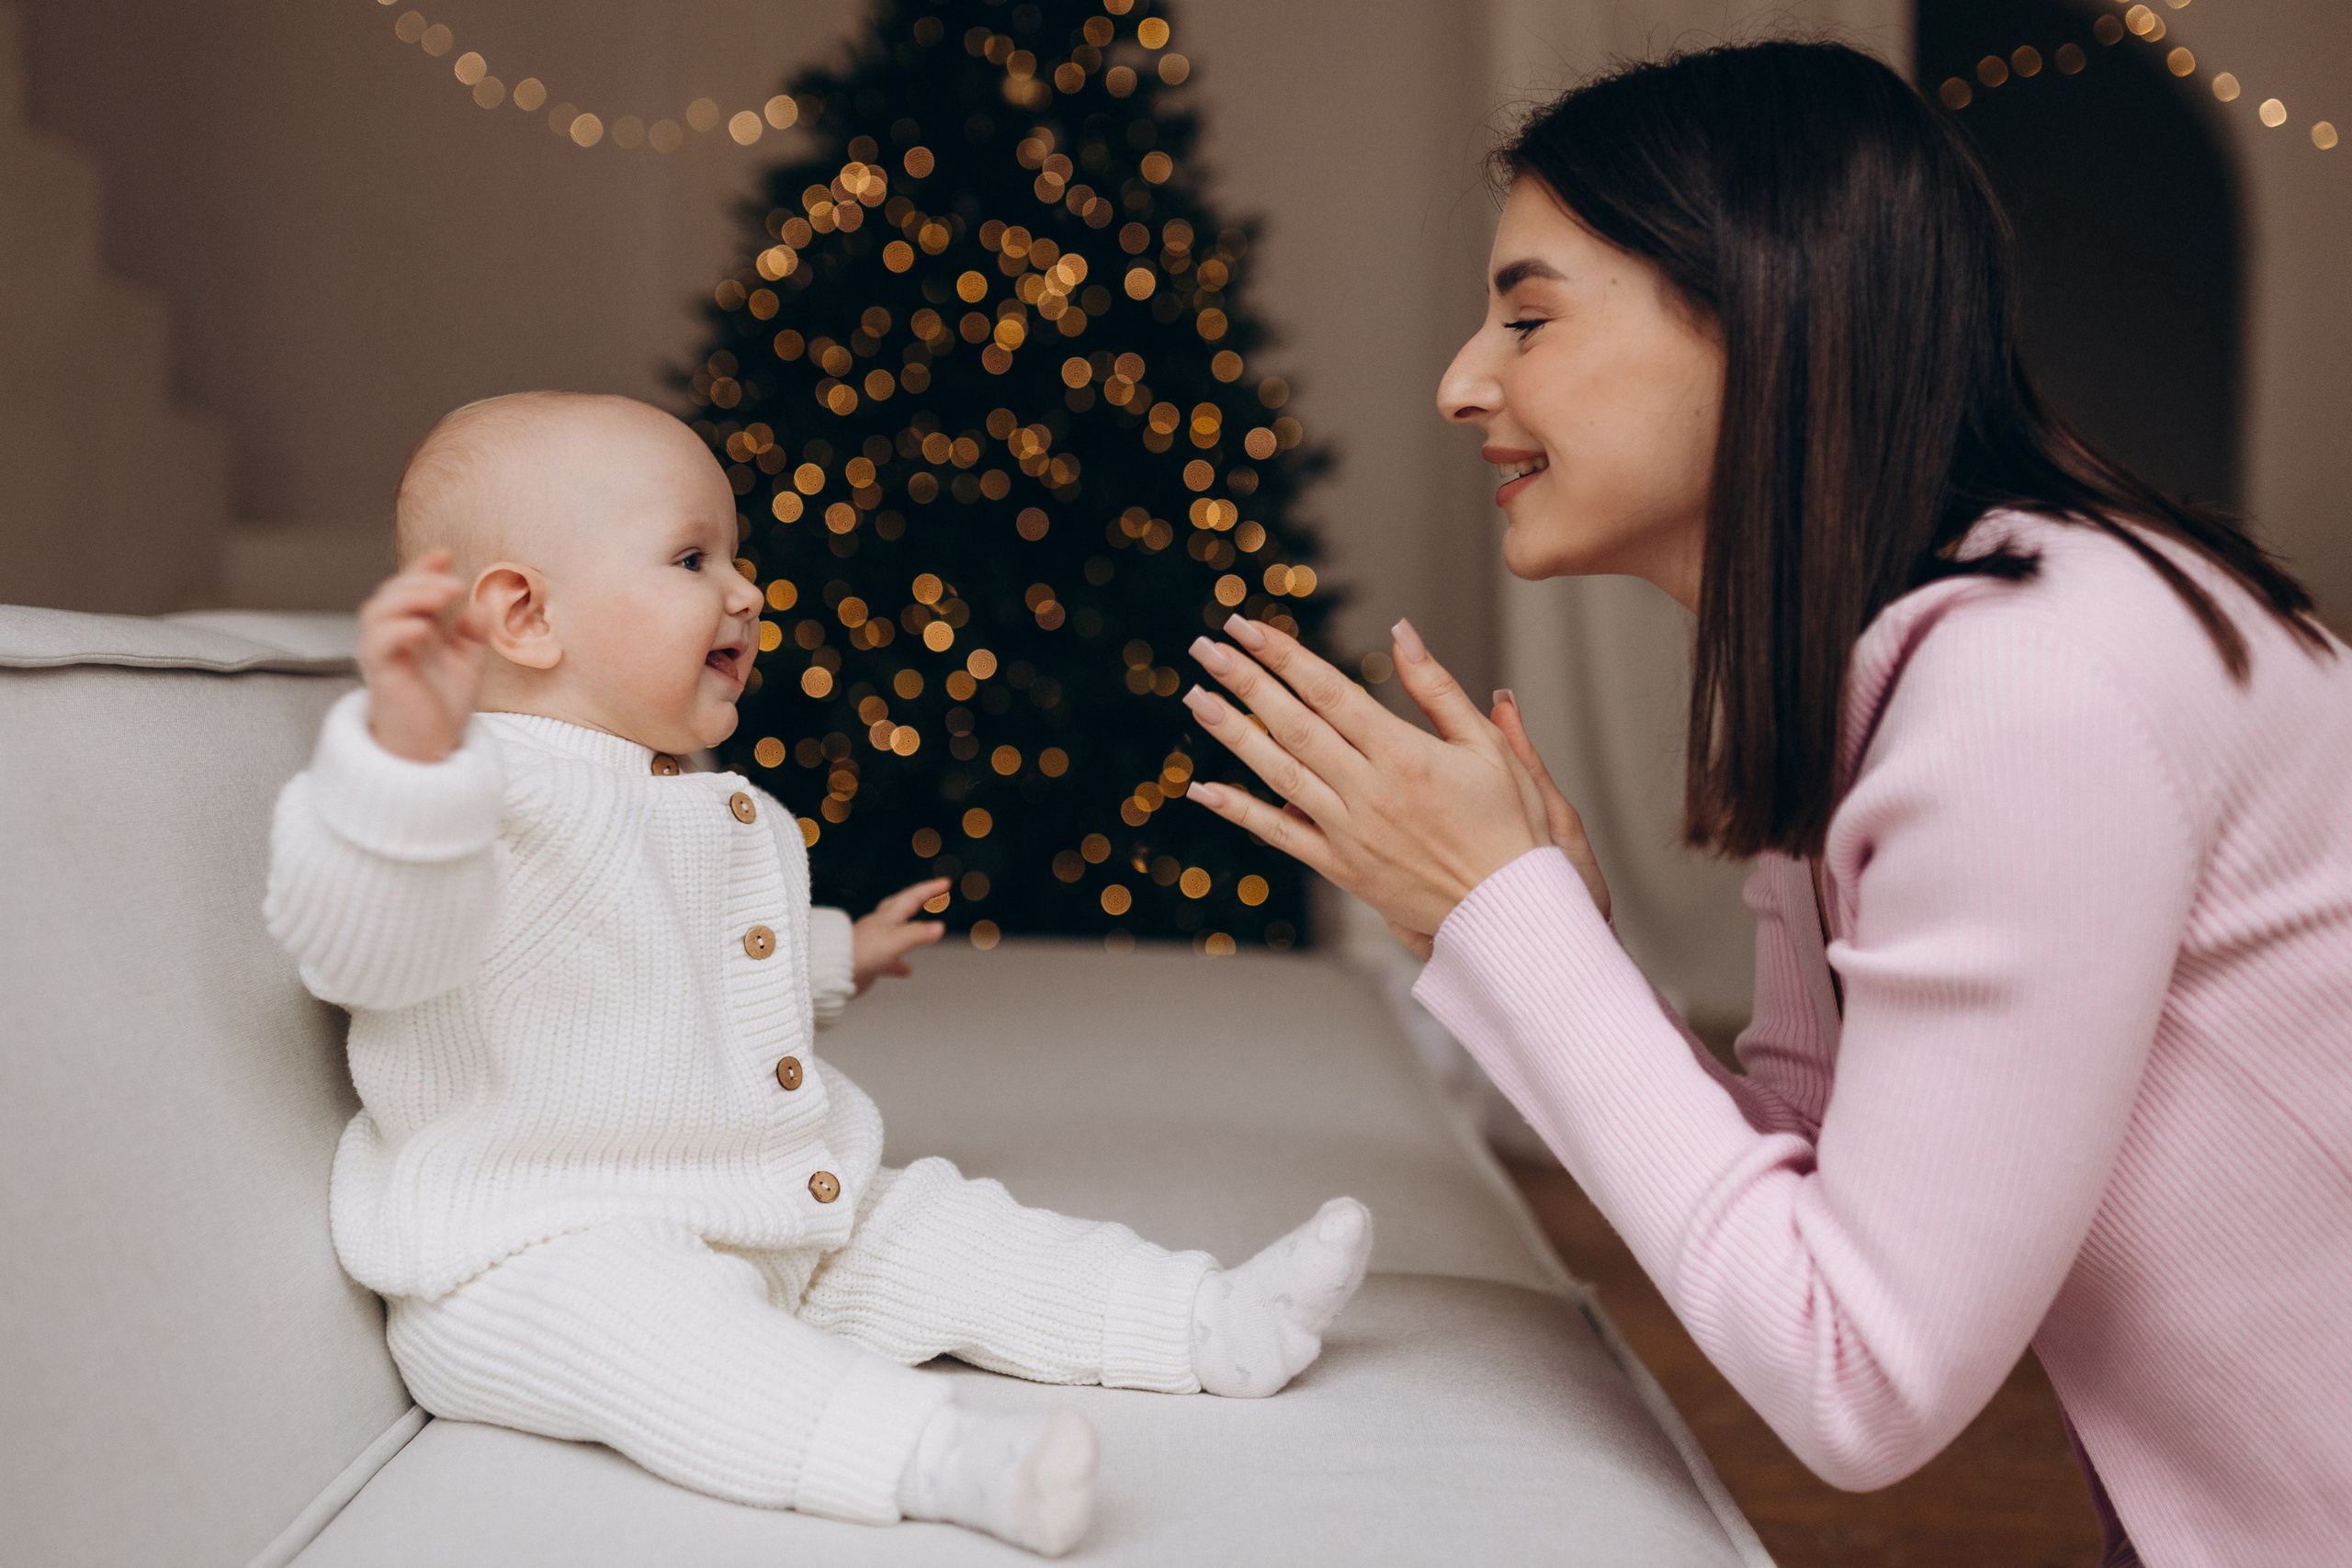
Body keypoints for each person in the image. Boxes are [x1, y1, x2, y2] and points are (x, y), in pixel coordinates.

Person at [1182, 41, 2352, 1567]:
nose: (1463, 382)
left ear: (1766, 318)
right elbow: (1811, 1178)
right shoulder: (1918, 646)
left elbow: (1858, 1378)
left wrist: (1505, 920)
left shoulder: (2028, 684)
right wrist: (1562, 946)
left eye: (1528, 318)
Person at [265, 390, 1371, 1558]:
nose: (745, 590)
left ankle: (1200, 1319)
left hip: (772, 1212)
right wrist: (401, 774)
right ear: (526, 616)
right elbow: (370, 944)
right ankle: (927, 1455)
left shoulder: (684, 792)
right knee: (672, 1340)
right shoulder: (476, 792)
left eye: (735, 555)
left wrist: (835, 951)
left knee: (946, 1227)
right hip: (539, 1259)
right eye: (693, 557)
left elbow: (669, 973)